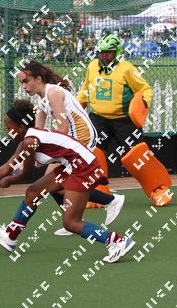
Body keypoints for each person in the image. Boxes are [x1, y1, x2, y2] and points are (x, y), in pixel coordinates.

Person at [0, 100, 136, 263]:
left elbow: (26, 173)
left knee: (71, 223)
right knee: (33, 193)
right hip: (73, 165)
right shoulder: (28, 140)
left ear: (21, 127)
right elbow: (7, 167)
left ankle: (118, 242)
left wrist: (9, 180)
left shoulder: (30, 141)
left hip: (83, 168)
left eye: (9, 128)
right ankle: (10, 235)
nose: (7, 132)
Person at [16, 60, 125, 236]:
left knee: (51, 182)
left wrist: (46, 157)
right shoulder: (41, 100)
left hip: (82, 136)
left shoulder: (53, 93)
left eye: (26, 81)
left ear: (38, 78)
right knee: (53, 184)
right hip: (71, 138)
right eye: (21, 83)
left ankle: (107, 202)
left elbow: (63, 126)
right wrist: (27, 158)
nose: (24, 86)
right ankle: (78, 217)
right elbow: (36, 133)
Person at [78, 33, 172, 206]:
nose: (104, 56)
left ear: (117, 52)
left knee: (137, 155)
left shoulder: (126, 69)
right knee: (94, 153)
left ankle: (157, 189)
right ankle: (99, 194)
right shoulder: (92, 67)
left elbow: (145, 89)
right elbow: (85, 89)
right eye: (101, 52)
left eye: (108, 52)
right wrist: (77, 107)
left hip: (125, 121)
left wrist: (143, 104)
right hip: (98, 119)